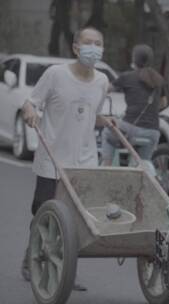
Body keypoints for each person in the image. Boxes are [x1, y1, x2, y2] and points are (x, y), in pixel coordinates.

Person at [20, 27, 111, 291]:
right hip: (52, 158)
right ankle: (32, 258)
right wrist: (30, 113)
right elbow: (31, 102)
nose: (93, 47)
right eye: (88, 43)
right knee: (43, 211)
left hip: (84, 161)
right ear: (75, 47)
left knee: (73, 220)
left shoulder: (103, 81)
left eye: (98, 43)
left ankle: (64, 271)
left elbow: (94, 115)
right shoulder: (56, 74)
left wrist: (110, 122)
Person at [100, 44, 166, 166]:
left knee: (107, 133)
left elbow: (107, 89)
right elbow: (163, 103)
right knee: (143, 164)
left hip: (131, 127)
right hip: (153, 132)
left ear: (134, 59)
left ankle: (106, 166)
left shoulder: (127, 76)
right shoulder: (159, 79)